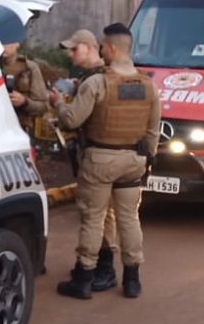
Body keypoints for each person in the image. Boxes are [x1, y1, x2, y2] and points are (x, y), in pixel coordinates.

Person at [50, 24, 161, 299]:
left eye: (102, 46)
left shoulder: (97, 83)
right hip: (134, 161)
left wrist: (58, 104)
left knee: (93, 217)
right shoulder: (148, 85)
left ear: (110, 48)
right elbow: (153, 131)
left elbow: (71, 120)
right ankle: (132, 279)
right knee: (129, 218)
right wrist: (146, 159)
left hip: (100, 159)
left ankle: (84, 278)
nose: (101, 50)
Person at [0, 39, 48, 134]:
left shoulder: (30, 68)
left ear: (17, 43)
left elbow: (43, 106)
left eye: (7, 40)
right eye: (0, 41)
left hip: (21, 128)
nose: (3, 46)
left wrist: (24, 102)